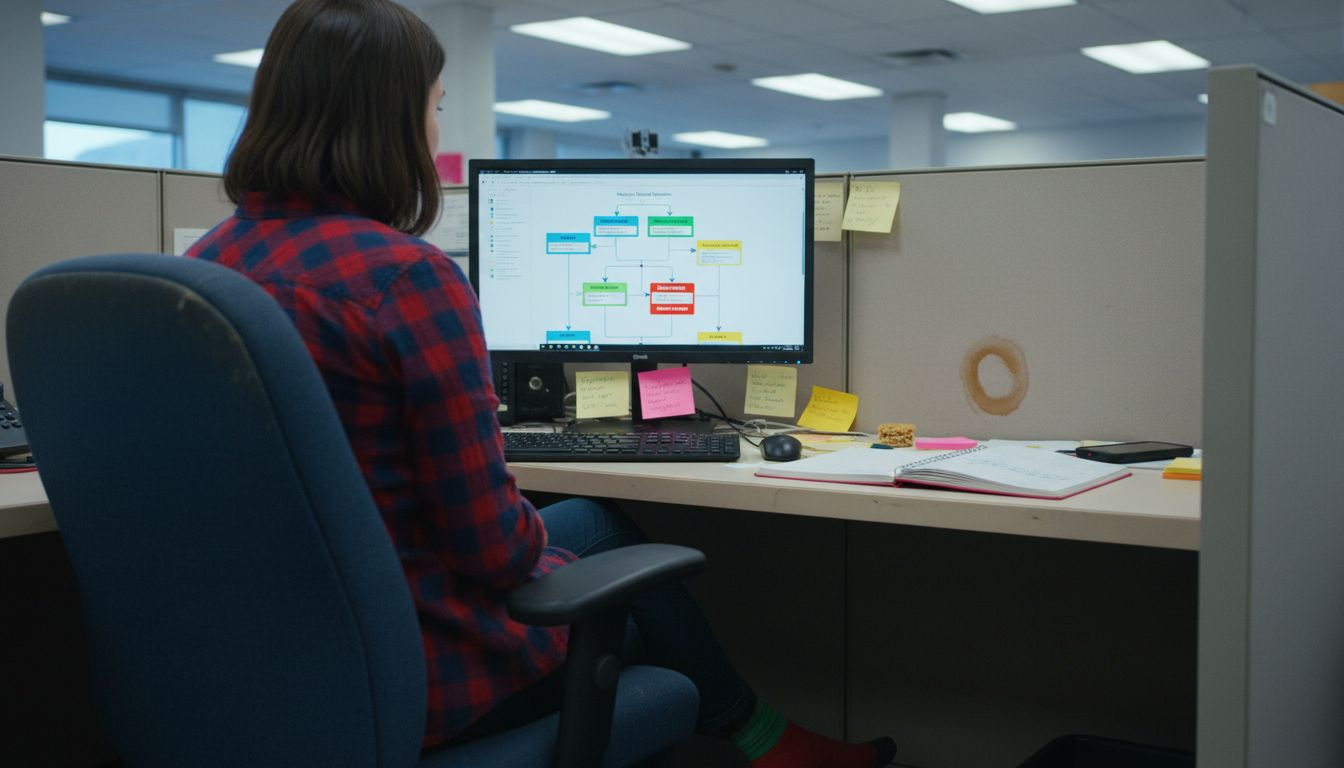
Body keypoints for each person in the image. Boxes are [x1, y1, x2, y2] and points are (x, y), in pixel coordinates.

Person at [186, 1, 896, 765]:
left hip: (270, 657)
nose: (435, 130)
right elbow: (491, 549)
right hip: (420, 666)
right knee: (646, 645)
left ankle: (763, 735)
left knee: (594, 518)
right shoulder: (402, 281)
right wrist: (565, 572)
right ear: (388, 119)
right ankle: (753, 735)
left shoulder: (198, 275)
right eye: (434, 105)